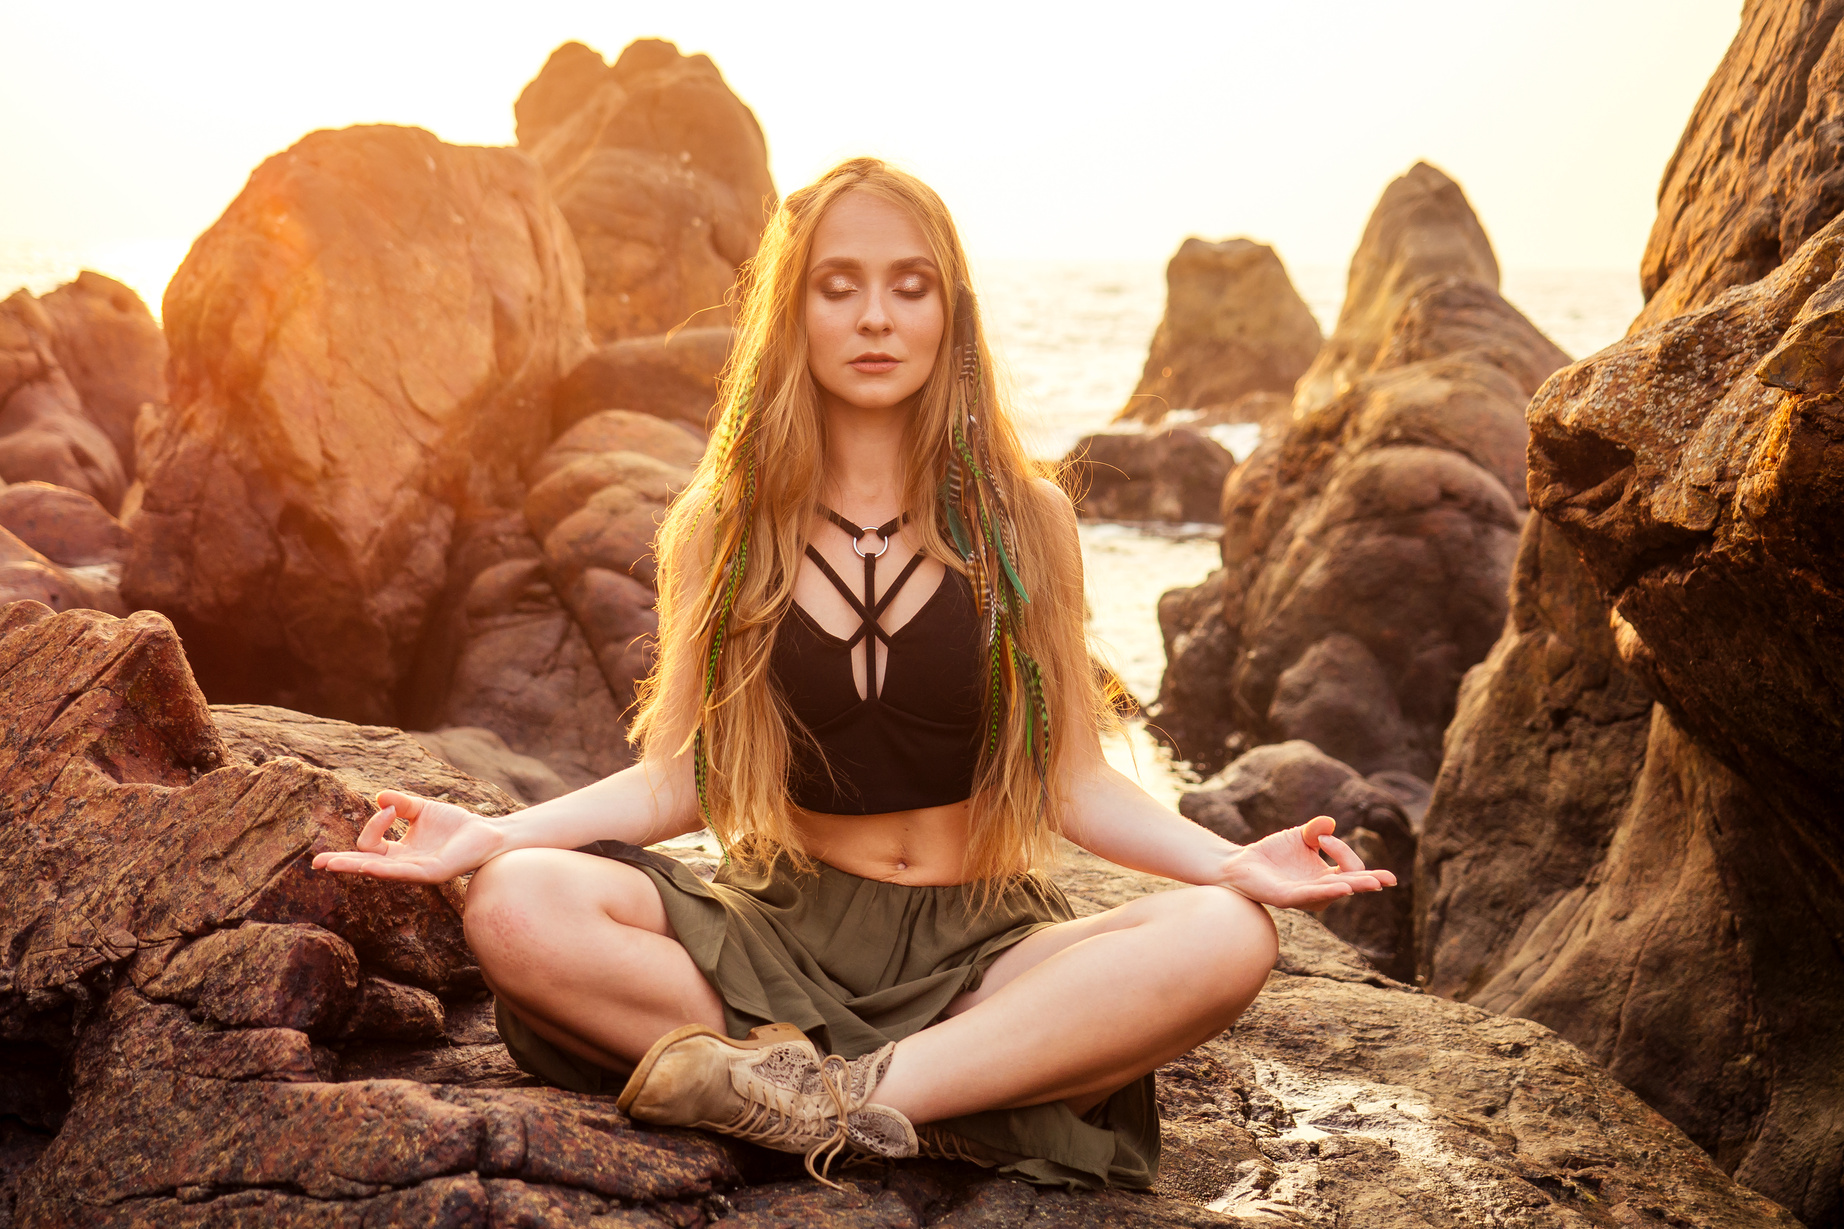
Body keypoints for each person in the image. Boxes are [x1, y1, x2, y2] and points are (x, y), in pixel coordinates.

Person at [312, 157, 1394, 1190]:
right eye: (839, 286)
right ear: (795, 313)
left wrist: (1229, 862)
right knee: (514, 903)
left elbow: (1070, 781)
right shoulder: (723, 529)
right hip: (772, 933)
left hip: (982, 947)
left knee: (1224, 932)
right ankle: (931, 1094)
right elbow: (677, 778)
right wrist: (496, 836)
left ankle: (829, 1096)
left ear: (948, 313)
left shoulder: (1029, 521)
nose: (875, 316)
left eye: (907, 286)